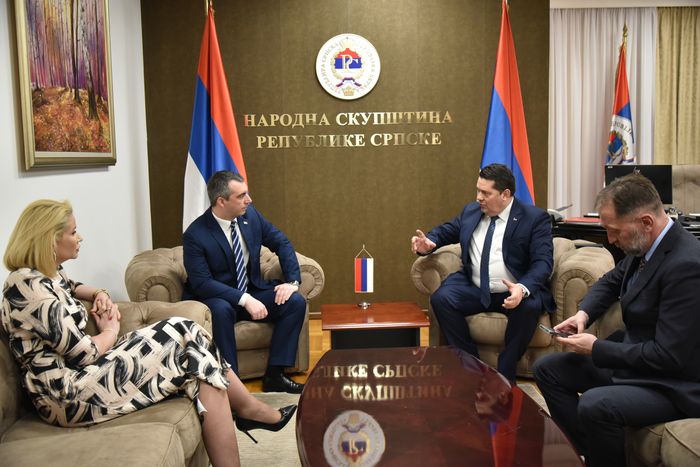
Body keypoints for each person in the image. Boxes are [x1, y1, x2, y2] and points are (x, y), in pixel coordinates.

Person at [1, 199, 296, 467]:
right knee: (186, 339)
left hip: (85, 375)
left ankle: (246, 413)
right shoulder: (30, 289)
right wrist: (111, 329)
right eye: (73, 232)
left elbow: (72, 287)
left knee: (191, 341)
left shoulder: (46, 274)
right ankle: (248, 409)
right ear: (50, 240)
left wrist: (100, 293)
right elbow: (84, 353)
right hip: (66, 394)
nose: (80, 238)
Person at [533, 173, 700, 467]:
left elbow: (668, 356)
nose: (610, 240)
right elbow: (611, 281)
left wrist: (596, 348)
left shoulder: (686, 266)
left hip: (672, 384)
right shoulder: (646, 245)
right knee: (548, 369)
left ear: (645, 222)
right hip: (636, 364)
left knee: (595, 404)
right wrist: (583, 314)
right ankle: (591, 453)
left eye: (614, 231)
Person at [411, 163, 554, 382]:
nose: (479, 197)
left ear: (505, 194)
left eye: (486, 193)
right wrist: (428, 242)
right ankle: (472, 367)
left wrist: (522, 288)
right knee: (442, 298)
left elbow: (543, 263)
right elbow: (447, 230)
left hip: (514, 288)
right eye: (478, 190)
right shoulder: (471, 211)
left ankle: (505, 373)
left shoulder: (534, 218)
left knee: (530, 306)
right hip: (476, 286)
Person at [183, 170, 305, 394]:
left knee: (295, 302)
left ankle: (275, 375)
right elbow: (202, 283)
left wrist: (292, 281)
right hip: (217, 296)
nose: (249, 200)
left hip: (252, 289)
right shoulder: (196, 234)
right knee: (221, 310)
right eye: (241, 196)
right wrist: (244, 299)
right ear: (221, 201)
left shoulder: (251, 216)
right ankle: (233, 386)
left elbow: (281, 242)